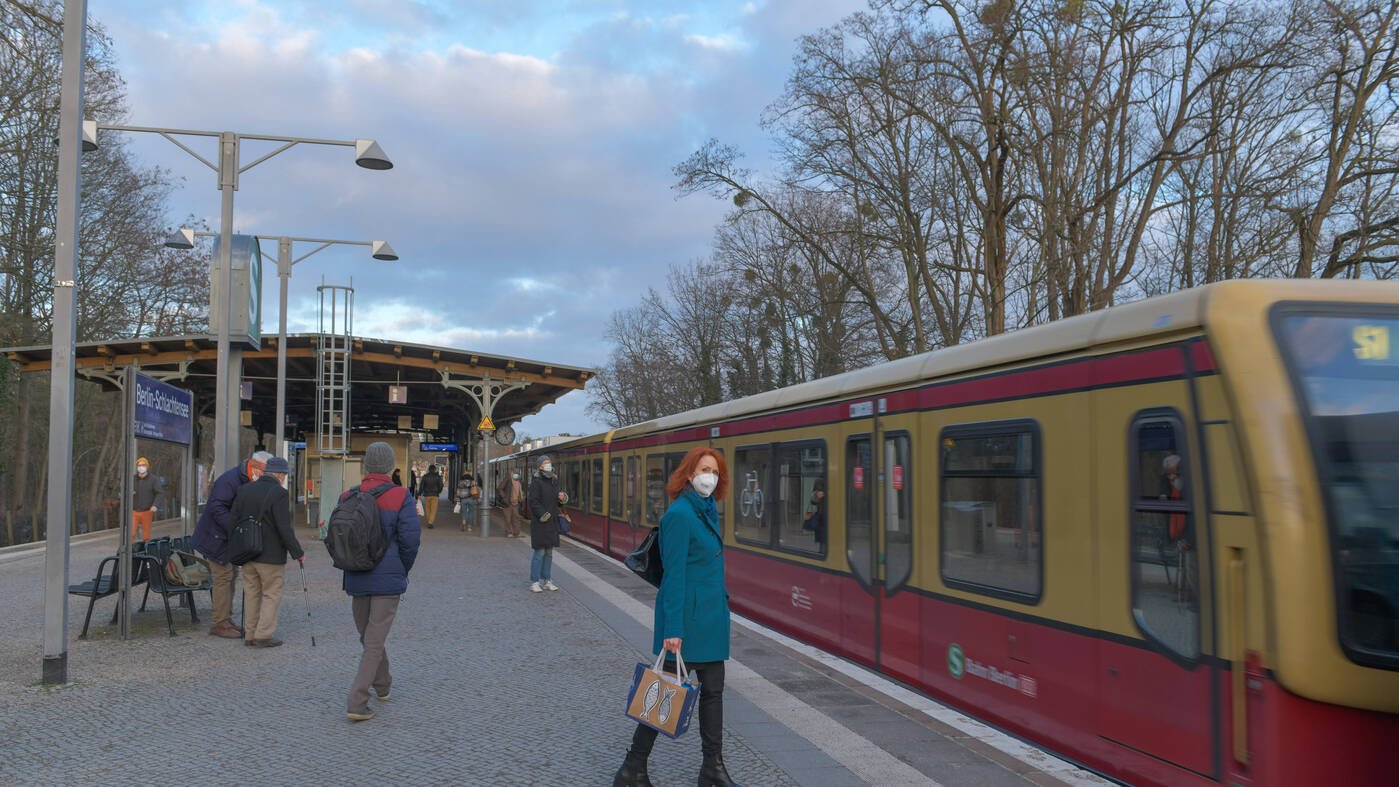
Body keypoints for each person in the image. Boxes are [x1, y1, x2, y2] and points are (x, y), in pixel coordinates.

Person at [613, 447, 736, 787]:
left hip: (710, 619)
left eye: (714, 471)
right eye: (703, 470)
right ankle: (632, 768)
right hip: (688, 623)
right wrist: (674, 630)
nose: (709, 477)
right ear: (688, 475)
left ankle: (712, 768)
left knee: (713, 692)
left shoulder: (706, 510)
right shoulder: (681, 515)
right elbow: (675, 577)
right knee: (664, 692)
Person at [341, 441, 420, 722]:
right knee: (373, 641)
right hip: (387, 580)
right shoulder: (401, 496)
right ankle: (357, 701)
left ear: (366, 466)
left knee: (369, 637)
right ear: (389, 466)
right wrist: (402, 569)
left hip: (356, 576)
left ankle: (383, 685)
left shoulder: (347, 496)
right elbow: (411, 541)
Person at [193, 451, 272, 639]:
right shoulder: (229, 480)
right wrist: (237, 528)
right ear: (254, 465)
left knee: (231, 575)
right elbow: (216, 508)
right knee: (223, 577)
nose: (265, 475)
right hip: (215, 538)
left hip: (225, 538)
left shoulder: (244, 479)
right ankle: (219, 622)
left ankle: (225, 618)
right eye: (264, 471)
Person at [228, 456, 304, 648]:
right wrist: (297, 552)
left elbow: (232, 522)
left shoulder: (244, 490)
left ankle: (250, 635)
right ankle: (263, 635)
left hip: (248, 554)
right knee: (271, 593)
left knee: (252, 593)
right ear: (280, 475)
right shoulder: (279, 493)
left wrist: (237, 547)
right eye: (284, 475)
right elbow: (284, 528)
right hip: (270, 556)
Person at [526, 455, 565, 592]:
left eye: (549, 462)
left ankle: (547, 580)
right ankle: (535, 581)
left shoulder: (554, 480)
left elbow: (556, 500)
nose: (548, 464)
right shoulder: (536, 482)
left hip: (552, 522)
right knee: (540, 552)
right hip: (541, 522)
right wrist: (543, 514)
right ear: (540, 466)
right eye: (545, 463)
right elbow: (533, 501)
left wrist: (561, 498)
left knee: (549, 552)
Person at [131, 456, 165, 543]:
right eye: (139, 465)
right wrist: (129, 493)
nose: (141, 467)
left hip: (147, 511)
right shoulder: (132, 479)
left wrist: (155, 505)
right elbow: (124, 491)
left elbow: (160, 493)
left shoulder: (153, 479)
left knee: (146, 535)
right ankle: (130, 552)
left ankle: (146, 551)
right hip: (134, 511)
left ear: (147, 467)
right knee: (131, 533)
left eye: (143, 465)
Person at [498, 471, 524, 538]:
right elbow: (500, 488)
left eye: (518, 474)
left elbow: (520, 492)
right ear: (512, 473)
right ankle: (509, 532)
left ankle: (516, 532)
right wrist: (504, 498)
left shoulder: (519, 481)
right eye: (515, 473)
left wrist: (520, 499)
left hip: (516, 503)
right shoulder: (508, 479)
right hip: (508, 503)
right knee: (508, 518)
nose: (516, 475)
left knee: (516, 518)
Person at [802, 479, 827, 547]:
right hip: (822, 515)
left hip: (822, 515)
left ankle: (822, 550)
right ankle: (822, 550)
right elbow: (813, 501)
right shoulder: (820, 480)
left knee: (823, 537)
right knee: (823, 537)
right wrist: (817, 495)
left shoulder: (819, 480)